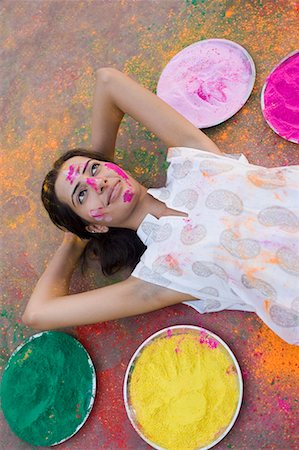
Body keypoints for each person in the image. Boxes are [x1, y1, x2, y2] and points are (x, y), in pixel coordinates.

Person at [22, 68, 299, 345]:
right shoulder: (158, 274)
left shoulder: (193, 162)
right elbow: (38, 313)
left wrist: (99, 173)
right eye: (81, 195)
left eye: (94, 169)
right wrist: (75, 239)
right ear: (95, 225)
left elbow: (109, 82)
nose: (99, 183)